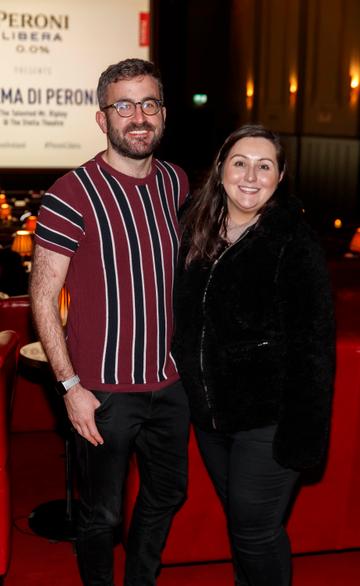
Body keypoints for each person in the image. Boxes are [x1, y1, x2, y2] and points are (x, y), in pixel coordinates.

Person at [30, 58, 190, 586]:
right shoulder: (70, 194)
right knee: (103, 516)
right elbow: (44, 296)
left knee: (168, 492)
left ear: (163, 114)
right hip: (101, 392)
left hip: (169, 384)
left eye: (149, 104)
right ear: (103, 119)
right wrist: (70, 385)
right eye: (124, 106)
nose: (138, 116)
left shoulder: (175, 182)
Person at [173, 124, 335, 586]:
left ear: (280, 176)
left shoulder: (293, 242)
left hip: (271, 421)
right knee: (249, 529)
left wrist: (304, 438)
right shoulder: (194, 227)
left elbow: (315, 348)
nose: (250, 175)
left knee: (254, 533)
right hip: (212, 419)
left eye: (265, 166)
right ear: (221, 168)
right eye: (240, 162)